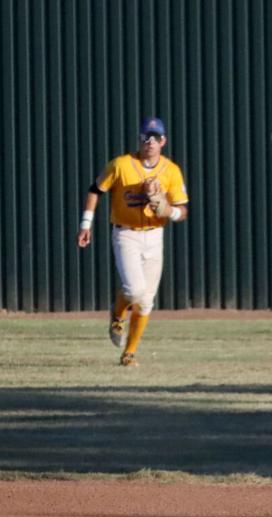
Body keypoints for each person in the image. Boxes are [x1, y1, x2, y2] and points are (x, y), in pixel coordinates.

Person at [77, 116, 189, 367]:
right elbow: (95, 190)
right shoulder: (121, 165)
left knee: (147, 300)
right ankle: (117, 314)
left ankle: (129, 353)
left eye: (156, 137)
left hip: (154, 234)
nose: (150, 142)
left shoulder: (171, 170)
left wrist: (166, 210)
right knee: (134, 290)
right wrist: (86, 224)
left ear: (164, 141)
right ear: (139, 139)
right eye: (146, 137)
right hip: (126, 233)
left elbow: (183, 211)